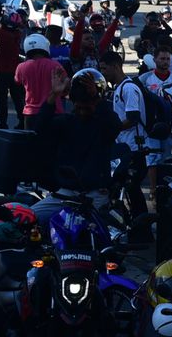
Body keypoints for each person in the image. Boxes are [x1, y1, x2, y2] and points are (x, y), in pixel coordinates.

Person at [31, 68, 122, 227]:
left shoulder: (104, 125)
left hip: (95, 196)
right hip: (65, 194)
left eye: (87, 107)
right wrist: (54, 95)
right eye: (78, 107)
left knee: (98, 234)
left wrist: (97, 97)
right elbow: (39, 129)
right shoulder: (67, 122)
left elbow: (115, 125)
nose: (82, 111)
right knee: (28, 219)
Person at [101, 50, 148, 217]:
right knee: (126, 190)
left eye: (104, 69)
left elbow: (133, 118)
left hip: (134, 149)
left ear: (115, 66)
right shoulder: (120, 88)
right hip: (125, 147)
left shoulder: (128, 89)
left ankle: (143, 230)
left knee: (133, 190)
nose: (103, 73)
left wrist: (112, 129)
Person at [139, 50, 172, 202]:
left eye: (167, 59)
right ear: (155, 60)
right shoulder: (145, 78)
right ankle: (153, 191)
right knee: (152, 159)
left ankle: (165, 189)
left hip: (171, 125)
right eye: (162, 59)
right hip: (151, 127)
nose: (165, 62)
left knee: (166, 160)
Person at [15, 34, 66, 128]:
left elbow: (18, 84)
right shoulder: (55, 65)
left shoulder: (21, 67)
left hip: (30, 113)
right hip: (54, 111)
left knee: (31, 141)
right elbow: (65, 87)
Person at [0, 11, 26, 129]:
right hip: (14, 72)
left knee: (2, 100)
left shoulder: (4, 34)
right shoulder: (17, 34)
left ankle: (3, 123)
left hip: (2, 72)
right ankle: (22, 121)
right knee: (17, 99)